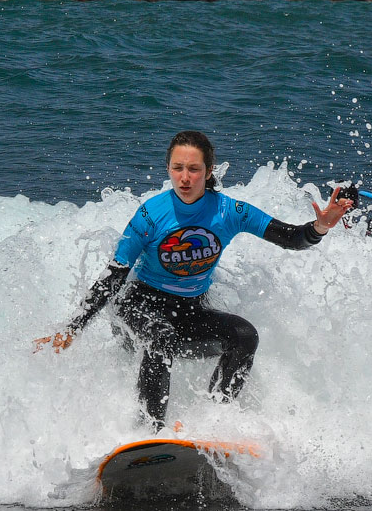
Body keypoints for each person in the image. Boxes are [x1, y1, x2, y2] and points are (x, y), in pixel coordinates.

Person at [38, 130, 353, 432]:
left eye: (193, 169)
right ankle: (149, 432)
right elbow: (115, 274)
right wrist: (74, 326)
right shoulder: (150, 215)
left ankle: (211, 420)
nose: (184, 178)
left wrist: (320, 227)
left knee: (245, 337)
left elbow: (292, 238)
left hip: (189, 310)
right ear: (168, 169)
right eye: (177, 168)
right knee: (161, 337)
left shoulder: (230, 211)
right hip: (138, 306)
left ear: (208, 170)